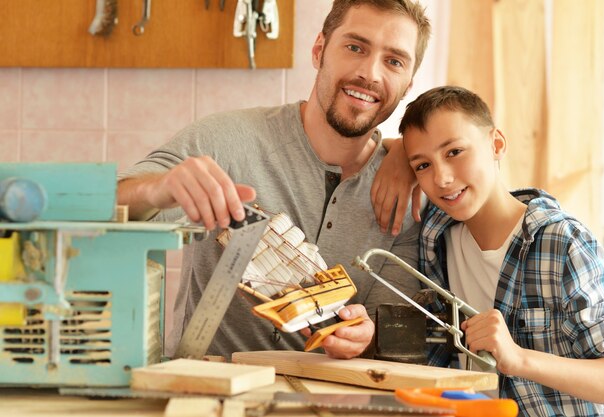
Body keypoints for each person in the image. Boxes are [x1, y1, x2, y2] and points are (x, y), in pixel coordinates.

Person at [117, 0, 431, 360]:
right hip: (203, 394)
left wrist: (370, 334)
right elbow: (104, 209)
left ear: (408, 85)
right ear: (319, 51)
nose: (370, 73)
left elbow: (402, 331)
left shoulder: (410, 198)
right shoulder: (223, 141)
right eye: (355, 47)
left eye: (394, 61)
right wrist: (156, 190)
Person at [399, 85, 604, 416]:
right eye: (422, 166)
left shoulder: (563, 243)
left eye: (454, 152)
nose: (442, 179)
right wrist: (396, 158)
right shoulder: (435, 234)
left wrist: (519, 359)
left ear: (496, 144)